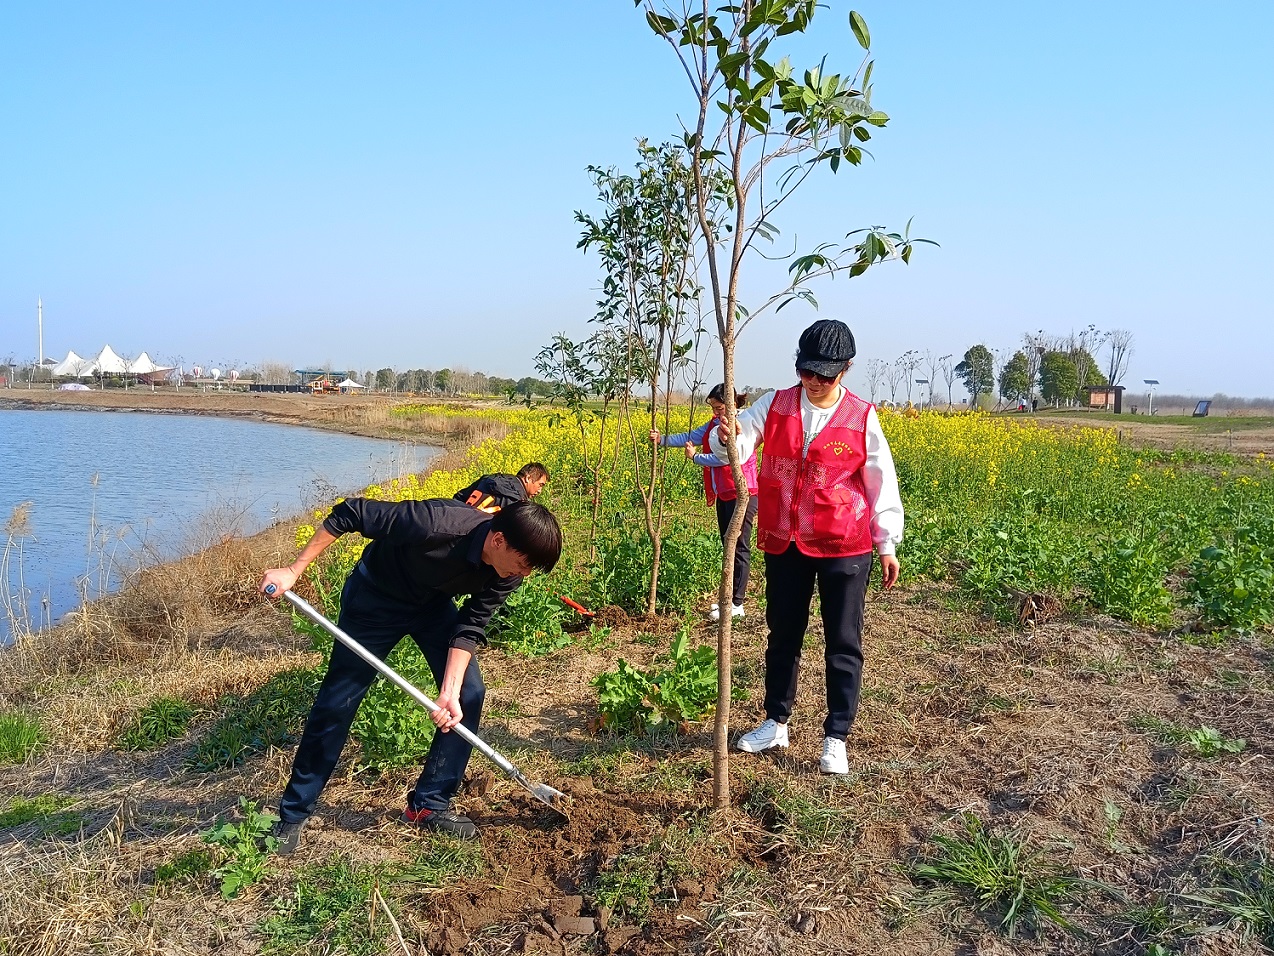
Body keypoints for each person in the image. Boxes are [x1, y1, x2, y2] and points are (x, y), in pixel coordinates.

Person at [259, 497, 562, 850]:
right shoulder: (434, 523)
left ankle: (429, 804)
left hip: (432, 606)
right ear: (498, 541)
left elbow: (470, 625)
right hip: (374, 600)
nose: (524, 574)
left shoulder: (508, 572)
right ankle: (293, 814)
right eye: (523, 564)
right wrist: (293, 570)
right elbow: (350, 513)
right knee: (337, 703)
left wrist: (449, 691)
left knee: (468, 694)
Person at [711, 319, 903, 775]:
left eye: (825, 375)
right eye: (806, 371)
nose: (814, 382)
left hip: (844, 544)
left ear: (845, 369)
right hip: (785, 540)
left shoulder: (861, 416)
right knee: (783, 634)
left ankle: (836, 736)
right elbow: (737, 447)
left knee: (843, 642)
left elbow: (881, 481)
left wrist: (886, 542)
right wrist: (726, 437)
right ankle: (776, 721)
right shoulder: (773, 405)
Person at [649, 384, 758, 621]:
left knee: (739, 546)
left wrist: (696, 457)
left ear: (732, 404)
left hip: (742, 492)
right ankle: (729, 600)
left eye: (719, 408)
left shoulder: (744, 423)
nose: (716, 413)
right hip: (724, 492)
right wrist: (662, 439)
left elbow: (727, 458)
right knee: (727, 544)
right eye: (714, 409)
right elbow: (689, 437)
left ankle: (737, 603)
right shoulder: (714, 425)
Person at [453, 462, 549, 513]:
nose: (540, 491)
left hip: (455, 523)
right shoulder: (516, 501)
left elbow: (459, 497)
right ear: (528, 478)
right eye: (540, 485)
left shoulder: (488, 479)